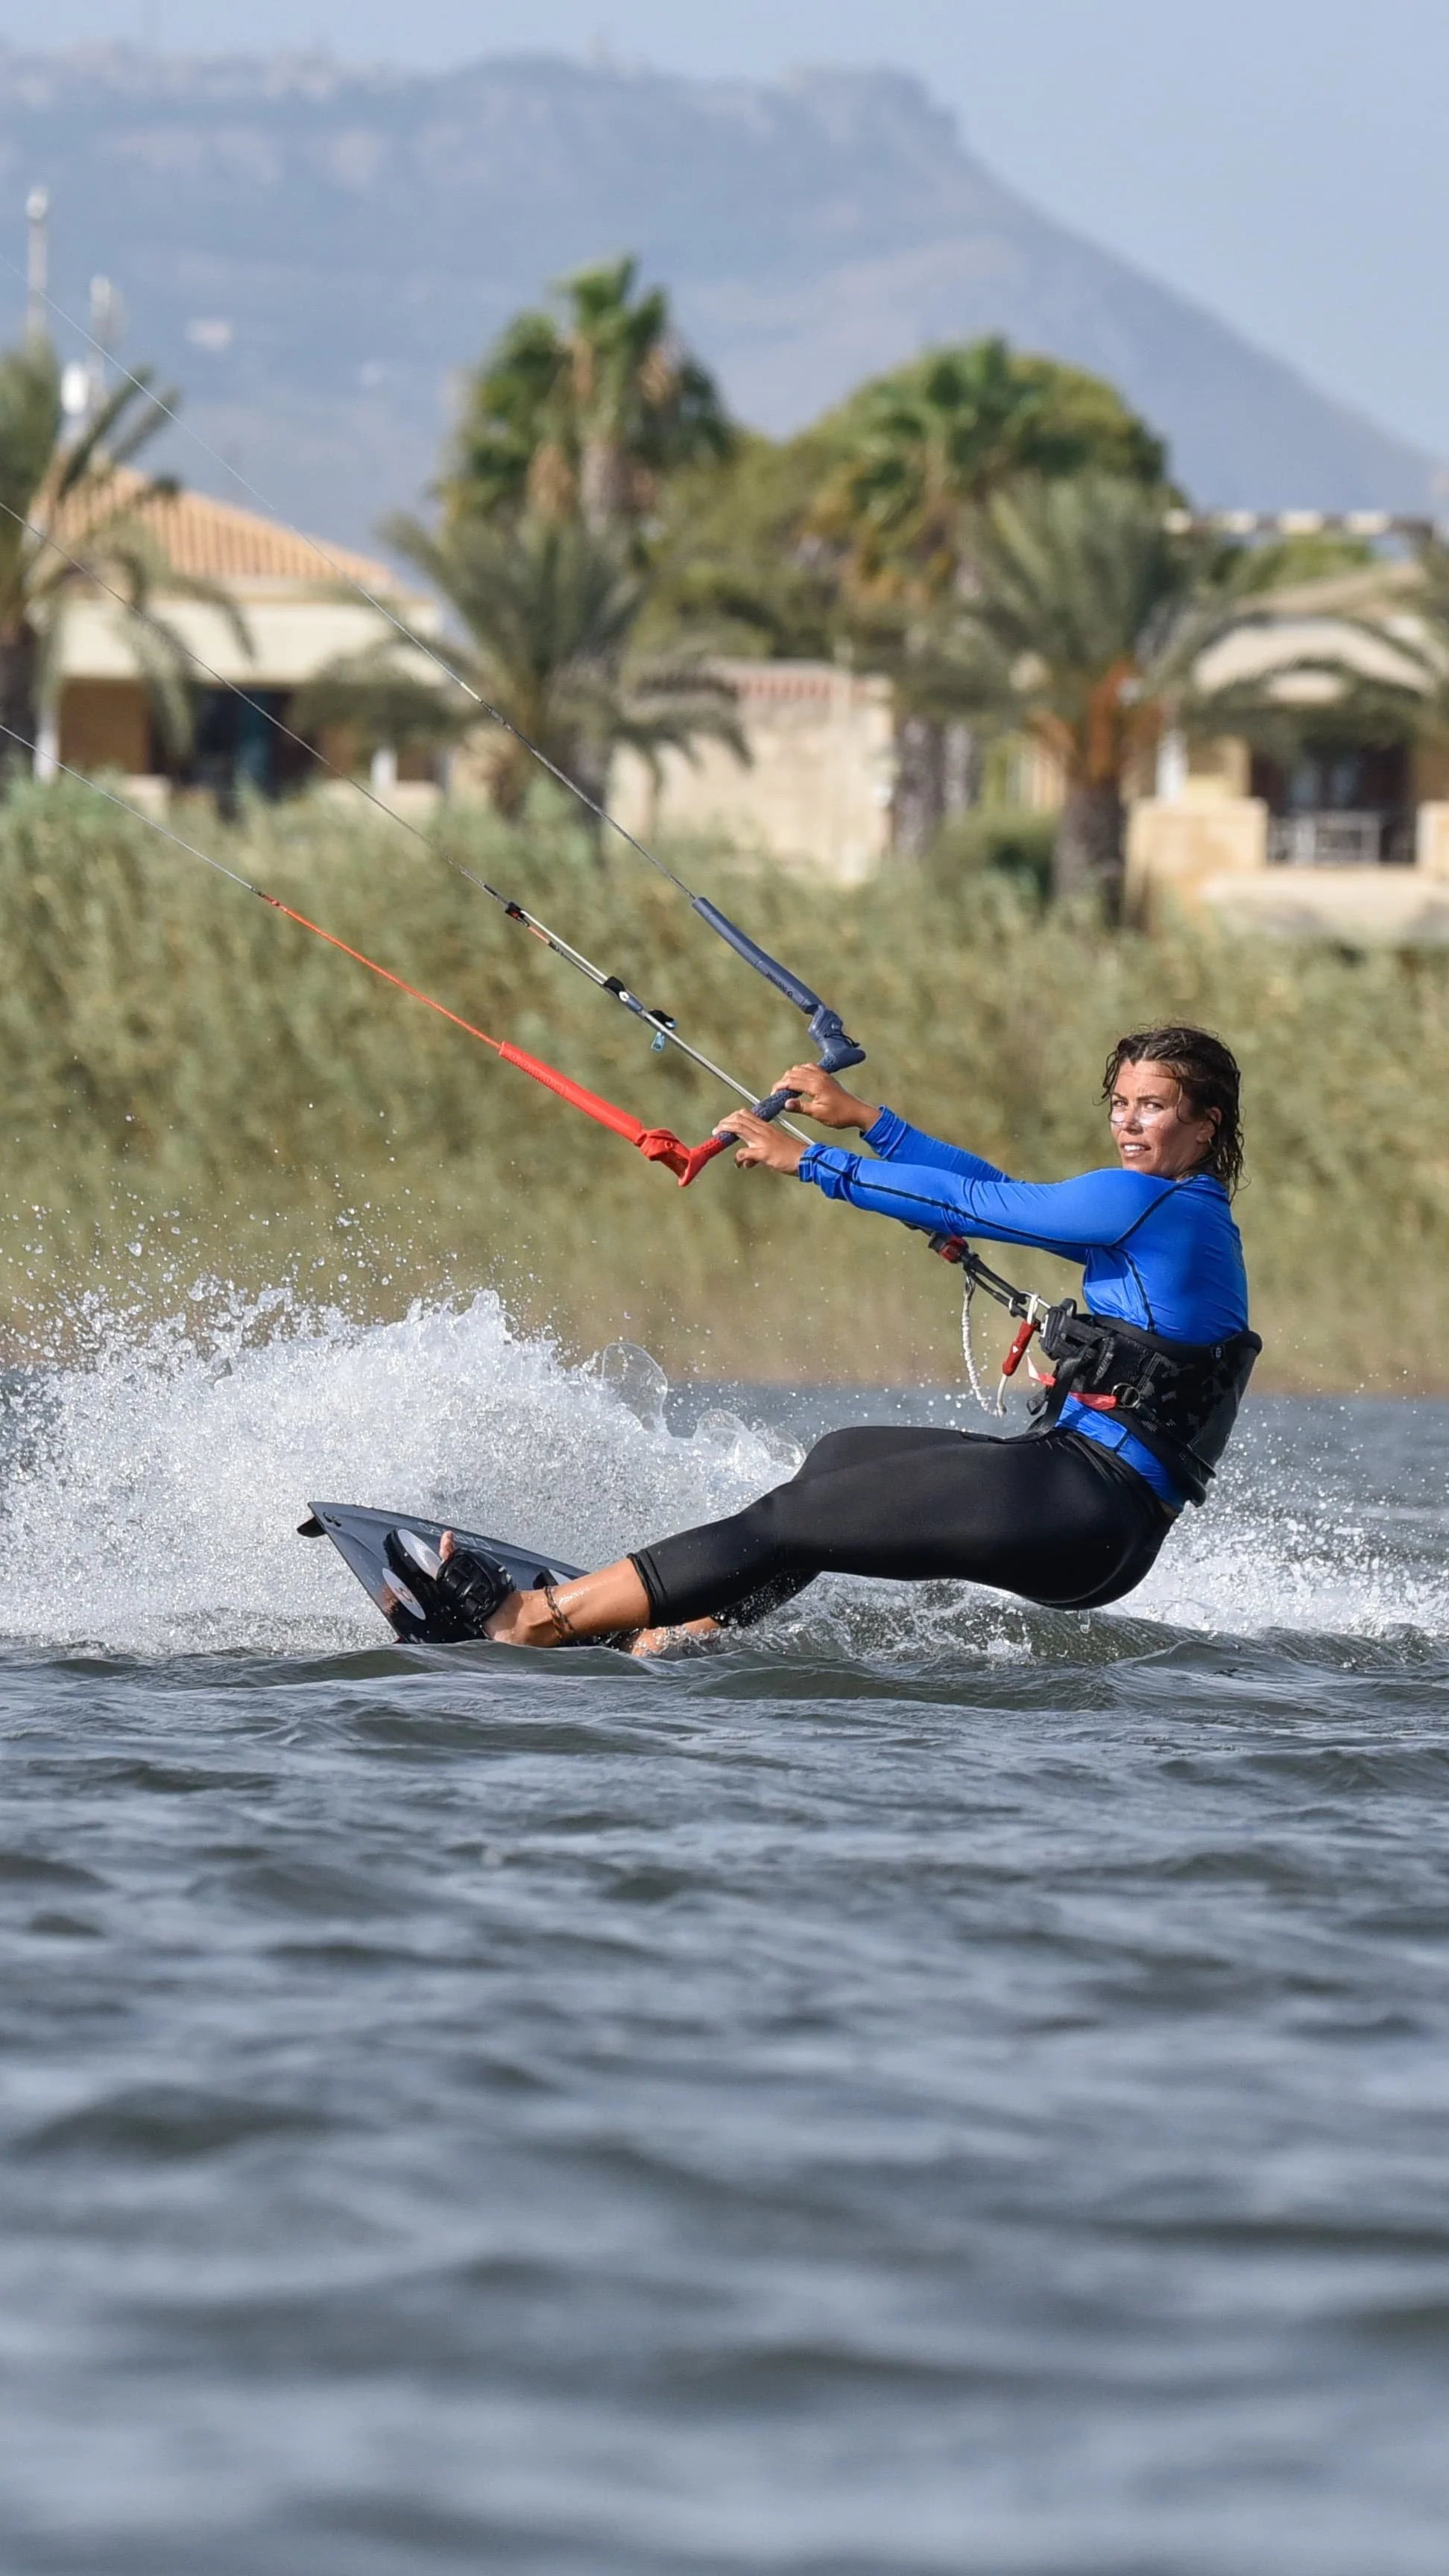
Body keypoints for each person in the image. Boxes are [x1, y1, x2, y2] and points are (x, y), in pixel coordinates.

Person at [413, 1025, 1257, 1652]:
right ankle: (682, 1628)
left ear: (1205, 1125)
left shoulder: (1150, 1205)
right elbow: (1002, 1189)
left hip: (1087, 1506)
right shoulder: (1176, 1213)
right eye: (1120, 1103)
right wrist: (870, 1122)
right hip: (1096, 1518)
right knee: (840, 1458)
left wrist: (812, 1162)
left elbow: (976, 1207)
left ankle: (533, 1621)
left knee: (795, 1519)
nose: (1128, 1124)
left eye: (1153, 1107)